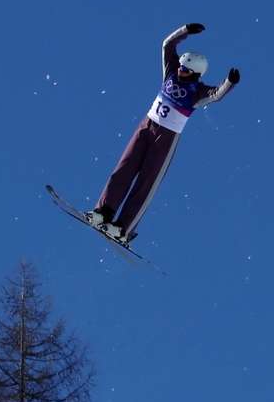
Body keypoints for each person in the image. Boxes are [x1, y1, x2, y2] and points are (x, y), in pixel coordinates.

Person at [86, 23, 240, 245]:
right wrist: (185, 30)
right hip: (146, 127)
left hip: (166, 138)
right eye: (180, 66)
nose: (180, 70)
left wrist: (229, 83)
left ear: (195, 74)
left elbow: (216, 95)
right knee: (124, 169)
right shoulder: (170, 71)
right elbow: (167, 45)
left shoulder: (198, 91)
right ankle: (103, 212)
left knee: (146, 182)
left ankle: (122, 228)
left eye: (185, 70)